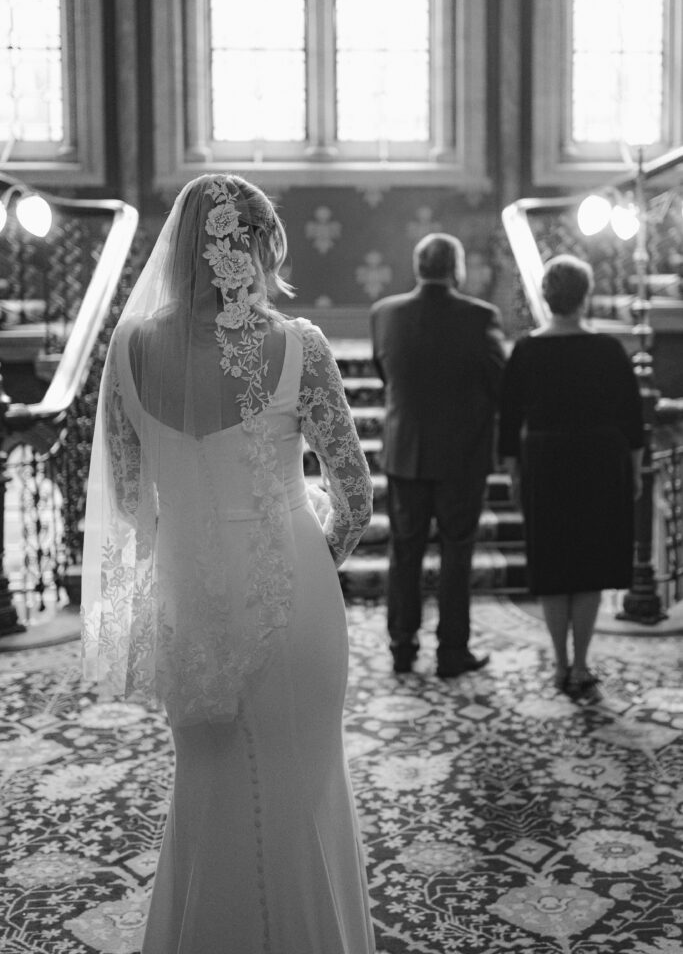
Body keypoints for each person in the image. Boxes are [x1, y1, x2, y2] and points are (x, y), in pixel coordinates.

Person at [81, 173, 375, 953]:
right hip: (293, 598)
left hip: (188, 600)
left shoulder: (128, 353)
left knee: (208, 790)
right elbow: (356, 499)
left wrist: (180, 563)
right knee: (304, 785)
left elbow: (128, 500)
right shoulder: (299, 346)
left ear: (179, 248)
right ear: (259, 242)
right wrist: (306, 557)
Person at [498, 255, 644, 698]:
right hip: (600, 462)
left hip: (545, 461)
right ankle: (581, 665)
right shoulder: (609, 350)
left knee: (553, 563)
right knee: (589, 566)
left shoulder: (526, 350)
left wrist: (514, 474)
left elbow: (507, 423)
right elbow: (633, 422)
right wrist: (634, 474)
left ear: (546, 296)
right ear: (586, 296)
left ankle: (560, 663)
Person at [370, 233, 506, 677]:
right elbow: (498, 383)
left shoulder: (384, 314)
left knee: (404, 552)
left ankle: (402, 648)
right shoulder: (481, 316)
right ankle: (452, 651)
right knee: (457, 552)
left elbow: (385, 373)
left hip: (406, 451)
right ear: (457, 268)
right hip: (462, 456)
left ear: (417, 266)